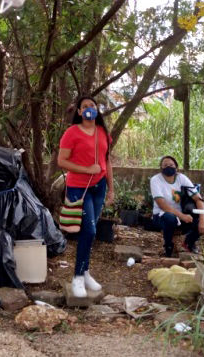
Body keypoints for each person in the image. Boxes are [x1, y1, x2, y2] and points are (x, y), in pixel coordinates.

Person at [57, 95, 114, 298]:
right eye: (85, 106)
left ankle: (85, 271)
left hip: (98, 187)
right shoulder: (71, 133)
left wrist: (111, 189)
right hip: (78, 187)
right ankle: (78, 277)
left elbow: (107, 162)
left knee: (92, 230)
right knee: (88, 231)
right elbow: (61, 161)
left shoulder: (102, 132)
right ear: (79, 112)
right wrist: (86, 169)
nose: (90, 109)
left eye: (92, 105)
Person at [150, 155, 204, 257]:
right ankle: (168, 246)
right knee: (170, 218)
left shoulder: (181, 178)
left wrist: (202, 219)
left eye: (171, 165)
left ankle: (189, 243)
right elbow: (161, 204)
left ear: (176, 167)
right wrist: (182, 216)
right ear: (161, 168)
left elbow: (198, 199)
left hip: (181, 217)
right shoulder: (156, 180)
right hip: (161, 216)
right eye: (165, 165)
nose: (168, 167)